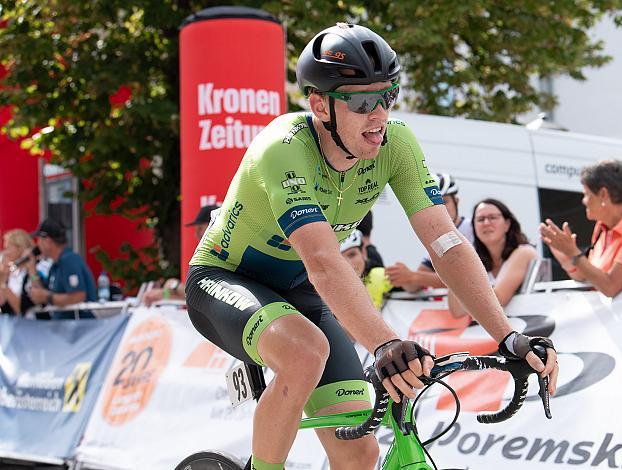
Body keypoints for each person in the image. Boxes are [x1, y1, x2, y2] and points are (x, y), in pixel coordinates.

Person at [184, 23, 558, 470]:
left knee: (360, 454)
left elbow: (447, 243)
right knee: (305, 352)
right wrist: (385, 344)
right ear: (320, 105)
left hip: (302, 293)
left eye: (388, 96)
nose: (379, 115)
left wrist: (508, 336)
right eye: (362, 102)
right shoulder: (282, 147)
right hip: (226, 279)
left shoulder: (395, 144)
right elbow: (323, 260)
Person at [540, 159, 622, 297]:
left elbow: (610, 287)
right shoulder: (601, 228)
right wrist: (566, 258)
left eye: (586, 194)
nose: (583, 201)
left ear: (603, 194)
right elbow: (590, 277)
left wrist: (573, 253)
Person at [385, 173, 474, 292]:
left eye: (444, 201)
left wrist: (412, 276)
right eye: (433, 203)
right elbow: (414, 286)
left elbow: (466, 280)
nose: (439, 208)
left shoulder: (473, 228)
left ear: (456, 201)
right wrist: (401, 277)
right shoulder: (441, 239)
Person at [449, 199, 537, 318]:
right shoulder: (475, 261)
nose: (486, 223)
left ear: (507, 224)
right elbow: (457, 312)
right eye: (480, 219)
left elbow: (497, 301)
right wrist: (456, 262)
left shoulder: (524, 252)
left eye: (492, 217)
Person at [142, 204, 220, 306]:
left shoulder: (220, 253)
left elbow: (204, 296)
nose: (196, 234)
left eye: (200, 228)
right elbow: (195, 297)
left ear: (215, 225)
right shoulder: (211, 252)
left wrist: (174, 286)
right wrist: (166, 293)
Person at [26, 219, 97, 319]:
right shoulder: (55, 266)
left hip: (79, 329)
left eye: (39, 240)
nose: (37, 245)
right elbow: (40, 295)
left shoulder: (69, 260)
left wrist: (47, 297)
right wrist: (32, 270)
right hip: (63, 329)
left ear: (48, 241)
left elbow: (78, 296)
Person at [340, 230, 393, 309]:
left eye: (352, 255)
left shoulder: (381, 275)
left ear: (364, 253)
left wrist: (413, 280)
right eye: (340, 259)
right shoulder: (321, 293)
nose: (348, 264)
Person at [0, 229, 35, 315]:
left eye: (8, 248)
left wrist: (4, 284)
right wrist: (3, 278)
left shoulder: (35, 269)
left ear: (20, 248)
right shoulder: (12, 273)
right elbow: (3, 304)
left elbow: (19, 308)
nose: (5, 253)